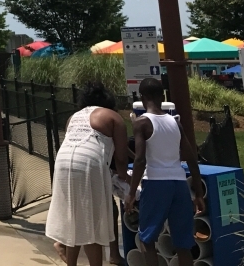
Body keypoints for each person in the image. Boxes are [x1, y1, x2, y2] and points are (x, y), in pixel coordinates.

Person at [46, 82, 129, 266]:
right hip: (88, 165)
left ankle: (69, 257)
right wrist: (127, 179)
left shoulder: (74, 117)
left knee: (74, 217)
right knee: (93, 224)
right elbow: (121, 159)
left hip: (63, 163)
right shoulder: (113, 116)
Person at [125, 78, 205, 266]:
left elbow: (140, 159)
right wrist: (199, 194)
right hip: (179, 184)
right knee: (183, 243)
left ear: (142, 97)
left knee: (147, 238)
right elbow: (192, 158)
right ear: (162, 97)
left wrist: (131, 193)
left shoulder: (141, 123)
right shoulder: (175, 123)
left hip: (155, 183)